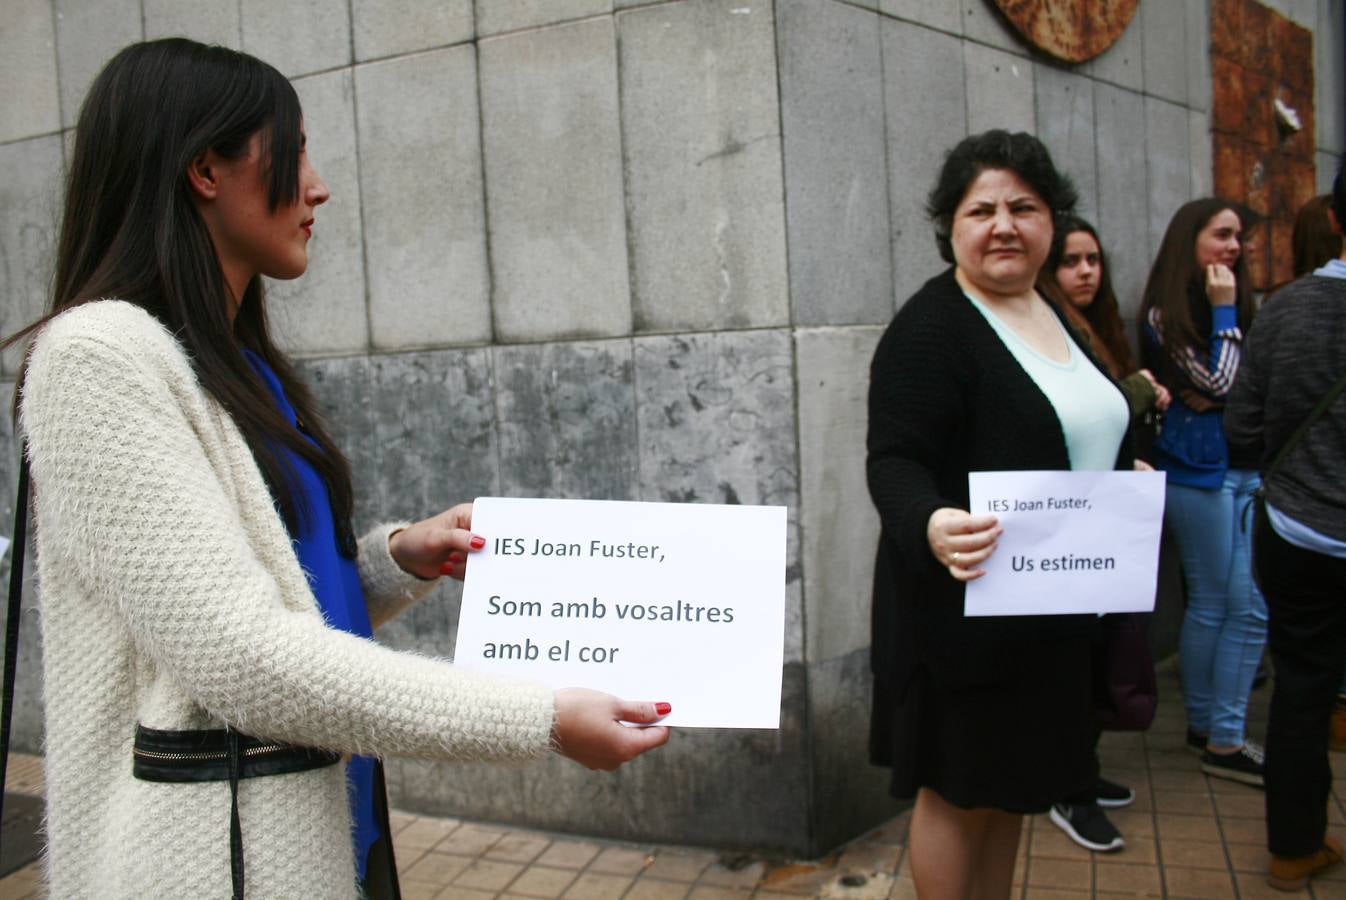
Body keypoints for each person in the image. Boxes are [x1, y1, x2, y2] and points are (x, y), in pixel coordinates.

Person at [4, 39, 670, 899]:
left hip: (330, 827)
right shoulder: (99, 358)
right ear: (205, 168)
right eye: (294, 152)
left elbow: (266, 586)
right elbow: (240, 655)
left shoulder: (244, 366)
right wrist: (539, 718)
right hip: (207, 865)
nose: (317, 186)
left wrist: (391, 562)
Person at [867, 130, 1133, 896]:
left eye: (1024, 206)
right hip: (963, 612)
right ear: (950, 226)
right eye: (980, 209)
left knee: (1014, 785)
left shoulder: (1052, 310)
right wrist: (929, 521)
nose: (1004, 225)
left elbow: (1081, 421)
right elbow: (895, 460)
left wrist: (1120, 470)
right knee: (957, 790)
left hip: (1051, 609)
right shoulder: (933, 327)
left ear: (1054, 221)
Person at [1225, 163, 1346, 891]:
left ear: (1334, 217)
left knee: (1300, 689)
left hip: (1298, 531)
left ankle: (1294, 849)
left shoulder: (1287, 308)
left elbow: (1243, 428)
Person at [1033, 216, 1170, 853]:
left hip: (1105, 519)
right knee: (1071, 662)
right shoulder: (1048, 328)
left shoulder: (1097, 330)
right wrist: (1140, 391)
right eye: (1070, 261)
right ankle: (1068, 789)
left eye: (1093, 259)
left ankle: (1078, 773)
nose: (1086, 271)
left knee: (1099, 652)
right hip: (1064, 531)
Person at [1139, 198, 1266, 786]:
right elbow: (1223, 379)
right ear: (1191, 239)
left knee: (1231, 604)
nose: (1234, 248)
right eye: (1222, 235)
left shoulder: (1235, 303)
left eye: (1238, 237)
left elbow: (1245, 387)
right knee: (1230, 604)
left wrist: (1221, 389)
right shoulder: (1170, 311)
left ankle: (1214, 726)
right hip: (1196, 471)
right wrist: (1223, 314)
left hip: (1240, 467)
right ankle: (1220, 734)